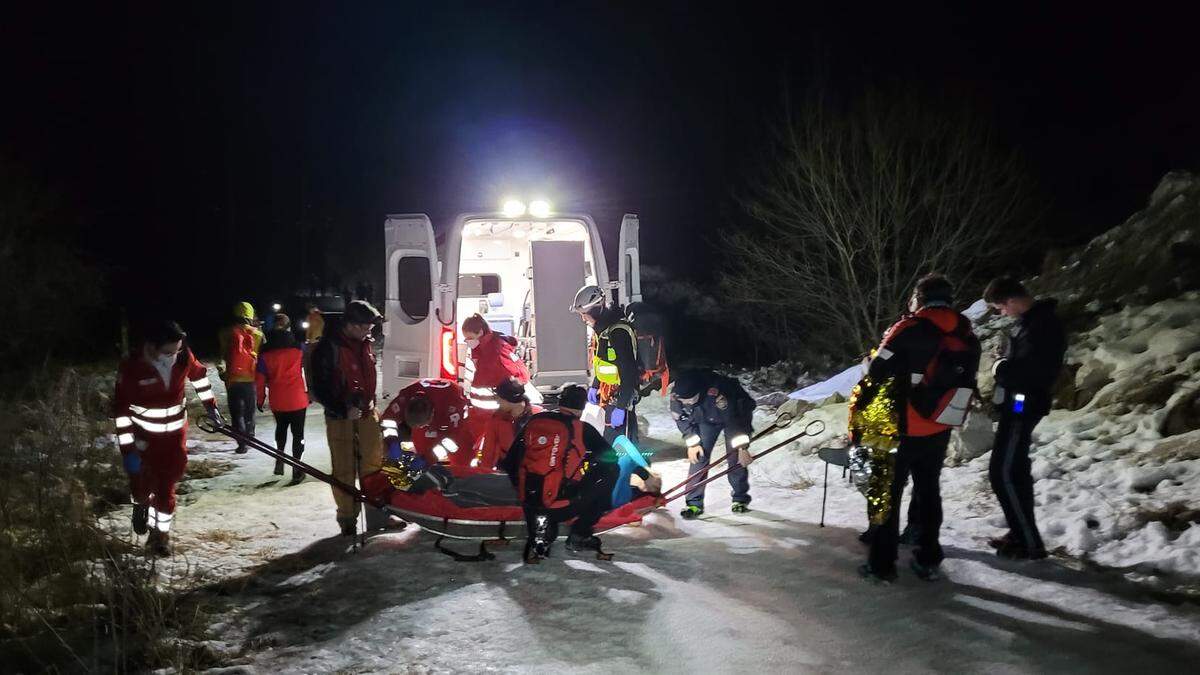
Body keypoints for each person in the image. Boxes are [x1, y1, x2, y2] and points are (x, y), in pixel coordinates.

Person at [860, 273, 979, 583]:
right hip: (940, 423)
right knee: (929, 491)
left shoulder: (908, 328)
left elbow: (877, 370)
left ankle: (882, 565)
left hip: (901, 423)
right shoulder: (966, 332)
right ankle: (928, 558)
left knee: (887, 493)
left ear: (920, 298)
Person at [113, 320, 221, 556]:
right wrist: (128, 449)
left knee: (165, 488)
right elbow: (121, 411)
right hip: (144, 441)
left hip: (174, 440)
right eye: (169, 351)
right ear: (151, 347)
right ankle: (139, 504)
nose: (174, 355)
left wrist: (211, 407)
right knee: (142, 486)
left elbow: (200, 377)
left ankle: (160, 536)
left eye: (178, 349)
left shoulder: (183, 357)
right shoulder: (132, 367)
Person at [985, 276, 1067, 560]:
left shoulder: (1042, 325)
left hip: (1023, 405)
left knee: (1004, 471)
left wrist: (1000, 369)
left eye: (1000, 307)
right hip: (1017, 403)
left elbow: (1034, 372)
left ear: (1011, 300)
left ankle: (1029, 542)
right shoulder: (1030, 323)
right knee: (1013, 470)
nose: (1001, 313)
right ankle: (1020, 531)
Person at [503, 384, 624, 563]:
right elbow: (611, 458)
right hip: (561, 505)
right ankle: (580, 534)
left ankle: (543, 533)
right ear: (582, 409)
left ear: (560, 403)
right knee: (612, 471)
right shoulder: (582, 428)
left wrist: (524, 490)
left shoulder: (536, 421)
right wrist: (586, 468)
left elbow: (510, 462)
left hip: (530, 503)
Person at [308, 299, 390, 536]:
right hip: (340, 419)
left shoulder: (364, 343)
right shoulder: (327, 348)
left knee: (374, 465)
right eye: (365, 327)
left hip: (366, 414)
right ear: (351, 325)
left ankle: (377, 516)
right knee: (344, 470)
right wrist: (342, 408)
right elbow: (320, 388)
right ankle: (347, 519)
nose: (369, 332)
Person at [671, 368, 757, 520]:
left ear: (699, 392)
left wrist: (743, 448)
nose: (688, 403)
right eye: (685, 401)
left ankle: (740, 498)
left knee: (735, 457)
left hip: (734, 415)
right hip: (705, 419)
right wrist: (692, 443)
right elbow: (681, 419)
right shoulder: (677, 396)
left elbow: (736, 421)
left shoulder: (719, 394)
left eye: (691, 399)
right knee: (699, 456)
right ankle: (693, 503)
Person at [570, 285, 640, 443]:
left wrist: (621, 407)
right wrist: (595, 384)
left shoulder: (618, 332)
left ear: (595, 310)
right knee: (608, 445)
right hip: (607, 396)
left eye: (584, 314)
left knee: (622, 448)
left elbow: (629, 373)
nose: (583, 319)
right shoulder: (603, 331)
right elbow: (603, 362)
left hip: (620, 397)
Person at [255, 313, 309, 483]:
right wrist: (311, 392)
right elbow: (308, 371)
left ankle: (279, 458)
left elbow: (260, 379)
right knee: (298, 433)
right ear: (289, 328)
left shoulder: (265, 353)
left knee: (281, 429)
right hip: (298, 398)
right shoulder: (299, 348)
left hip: (278, 400)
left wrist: (260, 399)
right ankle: (297, 468)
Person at [460, 313, 531, 438]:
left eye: (469, 338)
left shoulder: (495, 351)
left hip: (491, 412)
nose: (467, 342)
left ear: (480, 332)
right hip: (485, 412)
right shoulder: (482, 347)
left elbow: (515, 377)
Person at [379, 377, 474, 468]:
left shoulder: (453, 406)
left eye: (423, 425)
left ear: (432, 414)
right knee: (422, 450)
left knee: (462, 457)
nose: (420, 427)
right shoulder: (405, 397)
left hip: (457, 423)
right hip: (434, 410)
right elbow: (388, 420)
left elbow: (454, 440)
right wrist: (392, 442)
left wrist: (429, 459)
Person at [217, 301, 264, 454]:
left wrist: (222, 373)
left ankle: (241, 443)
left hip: (233, 379)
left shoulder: (226, 333)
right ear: (250, 315)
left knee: (237, 412)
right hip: (251, 379)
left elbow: (223, 355)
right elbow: (263, 356)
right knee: (250, 411)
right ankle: (250, 437)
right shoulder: (258, 334)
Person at [472, 377, 542, 470]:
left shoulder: (538, 416)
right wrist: (485, 474)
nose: (497, 402)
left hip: (533, 469)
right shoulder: (496, 419)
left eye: (499, 399)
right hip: (507, 469)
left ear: (510, 400)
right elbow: (488, 451)